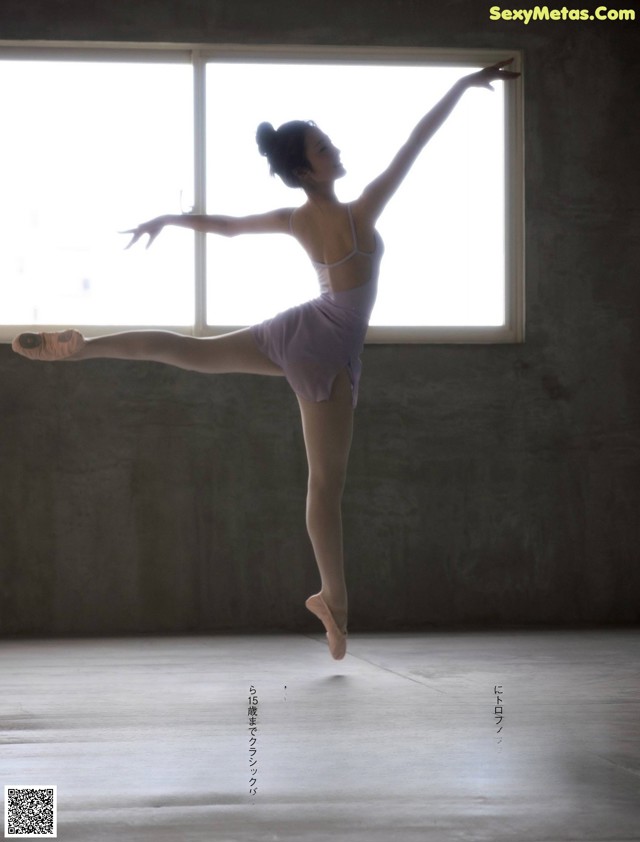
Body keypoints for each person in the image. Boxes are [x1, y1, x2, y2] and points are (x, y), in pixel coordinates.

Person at [12, 59, 520, 659]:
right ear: (306, 168)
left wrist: (170, 219)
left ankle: (86, 351)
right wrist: (460, 87)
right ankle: (335, 602)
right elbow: (415, 142)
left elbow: (227, 227)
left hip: (301, 330)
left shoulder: (296, 218)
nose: (336, 148)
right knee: (325, 486)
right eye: (325, 147)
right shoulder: (359, 212)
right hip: (324, 349)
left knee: (191, 353)